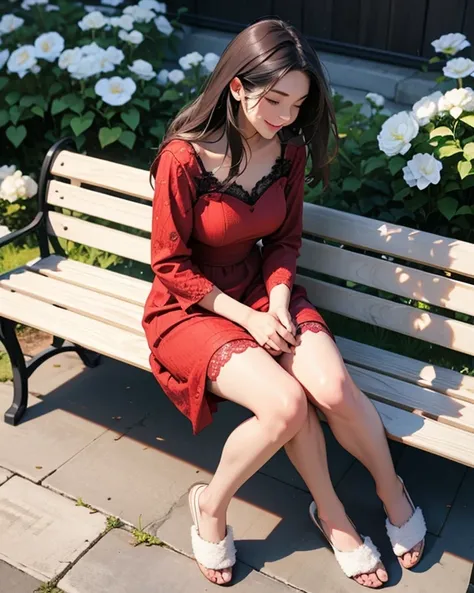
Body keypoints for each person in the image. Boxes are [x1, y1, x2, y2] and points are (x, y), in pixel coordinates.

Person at [142, 17, 426, 589]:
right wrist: (247, 316)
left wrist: (274, 298)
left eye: (298, 103)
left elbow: (285, 241)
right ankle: (220, 507)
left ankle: (392, 491)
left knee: (334, 388)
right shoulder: (184, 157)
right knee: (287, 406)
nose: (287, 116)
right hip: (192, 306)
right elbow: (170, 266)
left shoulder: (287, 153)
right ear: (238, 86)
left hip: (264, 290)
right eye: (275, 100)